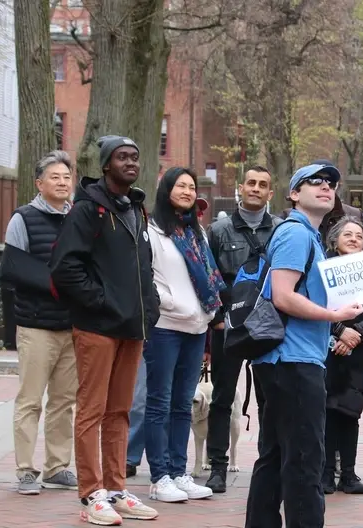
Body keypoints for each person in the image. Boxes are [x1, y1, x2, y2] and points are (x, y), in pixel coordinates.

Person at [49, 135, 161, 525]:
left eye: (134, 156)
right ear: (105, 165)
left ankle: (116, 488)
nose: (131, 163)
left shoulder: (136, 209)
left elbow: (142, 267)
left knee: (121, 411)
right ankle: (91, 493)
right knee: (92, 410)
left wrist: (152, 305)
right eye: (121, 158)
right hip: (97, 327)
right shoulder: (87, 210)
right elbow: (65, 269)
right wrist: (101, 301)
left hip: (132, 328)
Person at [245, 162, 363, 528]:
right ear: (295, 193)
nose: (326, 187)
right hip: (292, 361)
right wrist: (334, 317)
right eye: (315, 182)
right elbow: (282, 296)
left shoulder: (308, 236)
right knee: (304, 459)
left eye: (331, 183)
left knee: (276, 454)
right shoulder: (296, 234)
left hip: (288, 360)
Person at [0, 150, 78, 495]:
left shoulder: (78, 218)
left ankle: (57, 467)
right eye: (55, 177)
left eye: (66, 177)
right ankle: (25, 469)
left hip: (71, 326)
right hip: (35, 326)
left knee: (64, 401)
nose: (62, 183)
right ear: (39, 183)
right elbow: (12, 272)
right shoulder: (23, 219)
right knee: (30, 400)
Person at [142, 167, 224, 503]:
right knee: (159, 403)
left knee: (182, 405)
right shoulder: (152, 232)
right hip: (165, 328)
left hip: (196, 327)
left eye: (192, 186)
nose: (188, 191)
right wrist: (172, 305)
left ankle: (179, 471)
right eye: (181, 185)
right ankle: (159, 476)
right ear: (166, 189)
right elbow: (148, 278)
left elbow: (208, 275)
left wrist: (206, 312)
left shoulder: (197, 233)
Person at [204, 165, 279, 493]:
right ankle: (217, 466)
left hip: (267, 325)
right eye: (251, 183)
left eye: (263, 185)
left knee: (269, 398)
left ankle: (269, 463)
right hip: (229, 323)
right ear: (240, 187)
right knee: (222, 397)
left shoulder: (280, 229)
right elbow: (209, 274)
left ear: (270, 193)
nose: (256, 189)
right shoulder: (219, 230)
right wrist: (217, 316)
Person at [322, 216, 363, 495]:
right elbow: (313, 306)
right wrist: (339, 331)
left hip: (357, 355)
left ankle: (348, 473)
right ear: (334, 241)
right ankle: (325, 473)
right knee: (325, 413)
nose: (353, 239)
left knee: (350, 414)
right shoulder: (320, 270)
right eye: (347, 234)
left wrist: (355, 334)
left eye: (359, 236)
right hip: (325, 351)